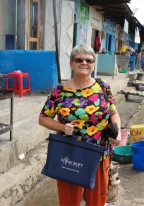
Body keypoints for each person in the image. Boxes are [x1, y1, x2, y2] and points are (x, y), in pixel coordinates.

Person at [39, 44, 121, 206]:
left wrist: (117, 132)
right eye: (79, 59)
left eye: (89, 60)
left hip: (98, 153)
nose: (84, 63)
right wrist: (61, 127)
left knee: (97, 201)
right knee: (69, 201)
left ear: (93, 64)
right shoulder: (59, 91)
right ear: (71, 64)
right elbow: (43, 118)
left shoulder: (103, 87)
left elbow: (114, 113)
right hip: (69, 154)